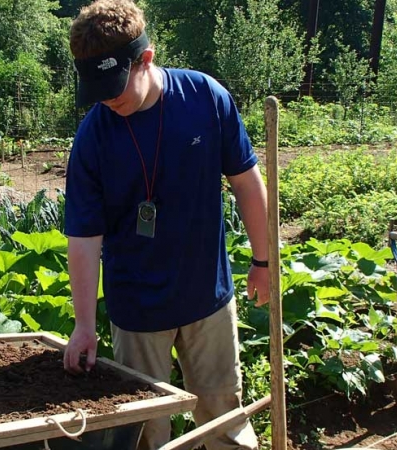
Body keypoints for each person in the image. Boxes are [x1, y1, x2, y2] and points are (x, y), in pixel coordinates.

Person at [61, 1, 270, 449]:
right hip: (136, 311)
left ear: (146, 59)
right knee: (145, 433)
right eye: (95, 88)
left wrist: (263, 260)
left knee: (224, 419)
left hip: (207, 299)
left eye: (114, 85)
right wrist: (83, 325)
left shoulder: (205, 98)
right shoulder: (93, 135)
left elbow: (247, 183)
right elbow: (83, 237)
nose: (107, 99)